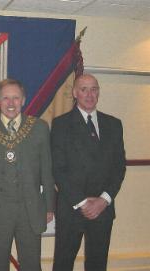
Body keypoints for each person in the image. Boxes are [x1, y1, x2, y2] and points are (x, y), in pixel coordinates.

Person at [0, 78, 55, 271]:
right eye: (6, 98)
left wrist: (49, 205)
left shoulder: (39, 127)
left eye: (16, 98)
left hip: (30, 208)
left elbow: (47, 170)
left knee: (32, 265)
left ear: (23, 100)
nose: (11, 103)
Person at [51, 74, 126, 271]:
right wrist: (84, 203)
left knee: (98, 263)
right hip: (72, 207)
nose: (89, 94)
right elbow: (58, 169)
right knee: (63, 263)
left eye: (94, 89)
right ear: (75, 93)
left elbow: (119, 167)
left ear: (99, 92)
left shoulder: (114, 124)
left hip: (103, 208)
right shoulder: (60, 124)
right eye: (84, 89)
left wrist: (104, 199)